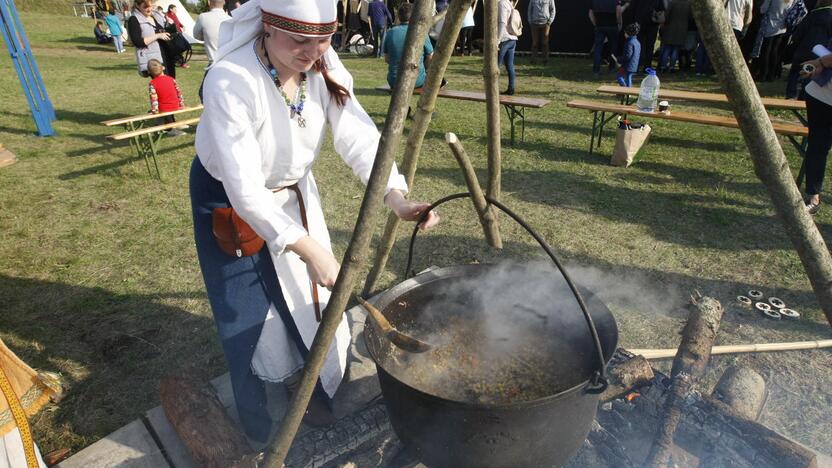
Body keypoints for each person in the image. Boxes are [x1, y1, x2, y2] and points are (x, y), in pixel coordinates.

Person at [191, 0, 440, 442]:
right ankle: (284, 385)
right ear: (268, 26)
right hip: (230, 203)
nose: (313, 51)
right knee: (259, 308)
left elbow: (360, 136)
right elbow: (245, 188)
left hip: (293, 196)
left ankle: (317, 378)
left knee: (311, 298)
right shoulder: (231, 80)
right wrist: (307, 249)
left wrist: (397, 197)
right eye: (300, 40)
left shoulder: (322, 62)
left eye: (323, 38)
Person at [799, 41, 832, 213]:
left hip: (822, 94)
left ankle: (813, 195)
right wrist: (820, 63)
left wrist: (820, 62)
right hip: (821, 95)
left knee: (818, 147)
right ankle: (813, 195)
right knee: (818, 147)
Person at [786, 0, 832, 98]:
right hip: (819, 53)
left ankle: (790, 94)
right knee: (810, 75)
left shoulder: (813, 14)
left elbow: (799, 32)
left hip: (804, 48)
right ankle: (802, 97)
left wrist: (795, 42)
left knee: (795, 72)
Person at [384, 3, 433, 88]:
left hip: (394, 80)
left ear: (398, 16)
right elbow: (430, 56)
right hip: (417, 80)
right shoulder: (421, 32)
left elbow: (387, 59)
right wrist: (423, 68)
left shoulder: (390, 33)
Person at [127, 0, 176, 78]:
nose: (149, 9)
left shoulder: (155, 16)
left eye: (150, 6)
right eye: (145, 7)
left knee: (171, 82)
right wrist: (157, 36)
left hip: (166, 55)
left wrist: (171, 24)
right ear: (137, 5)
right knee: (161, 86)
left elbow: (166, 32)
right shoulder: (133, 20)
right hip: (154, 61)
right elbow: (138, 42)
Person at [754, 0, 793, 81]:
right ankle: (771, 75)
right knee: (774, 52)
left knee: (765, 52)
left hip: (770, 25)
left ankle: (763, 74)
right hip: (782, 27)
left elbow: (763, 9)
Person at [147, 59, 187, 135]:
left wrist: (154, 110)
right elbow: (179, 93)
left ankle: (169, 129)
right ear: (163, 68)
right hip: (176, 105)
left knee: (157, 109)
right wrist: (181, 104)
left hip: (164, 108)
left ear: (149, 72)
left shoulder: (152, 83)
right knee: (164, 107)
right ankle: (166, 125)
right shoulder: (171, 79)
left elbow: (154, 100)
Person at [589, 0, 623, 76]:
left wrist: (595, 24)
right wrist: (620, 23)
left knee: (598, 49)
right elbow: (618, 11)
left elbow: (590, 13)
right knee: (613, 48)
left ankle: (596, 70)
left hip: (600, 26)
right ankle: (612, 68)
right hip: (612, 26)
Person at [193, 0, 231, 66]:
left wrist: (207, 37)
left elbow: (196, 36)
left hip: (213, 64)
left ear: (208, 2)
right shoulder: (231, 19)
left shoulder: (203, 17)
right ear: (224, 2)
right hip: (228, 64)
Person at [657, 0, 689, 72]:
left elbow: (667, 15)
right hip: (681, 30)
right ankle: (672, 67)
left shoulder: (672, 3)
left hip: (670, 28)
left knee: (667, 49)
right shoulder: (688, 4)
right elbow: (690, 17)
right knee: (675, 50)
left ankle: (663, 66)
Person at [498, 0, 518, 94]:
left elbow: (502, 23)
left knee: (495, 65)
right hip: (512, 38)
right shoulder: (509, 3)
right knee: (509, 65)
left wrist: (497, 41)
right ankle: (511, 88)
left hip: (504, 39)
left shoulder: (502, 3)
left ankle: (492, 89)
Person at [527, 0, 556, 64]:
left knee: (545, 43)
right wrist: (530, 21)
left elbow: (553, 9)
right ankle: (533, 60)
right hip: (534, 24)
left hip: (545, 24)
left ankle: (545, 60)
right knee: (535, 43)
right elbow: (529, 10)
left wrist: (549, 22)